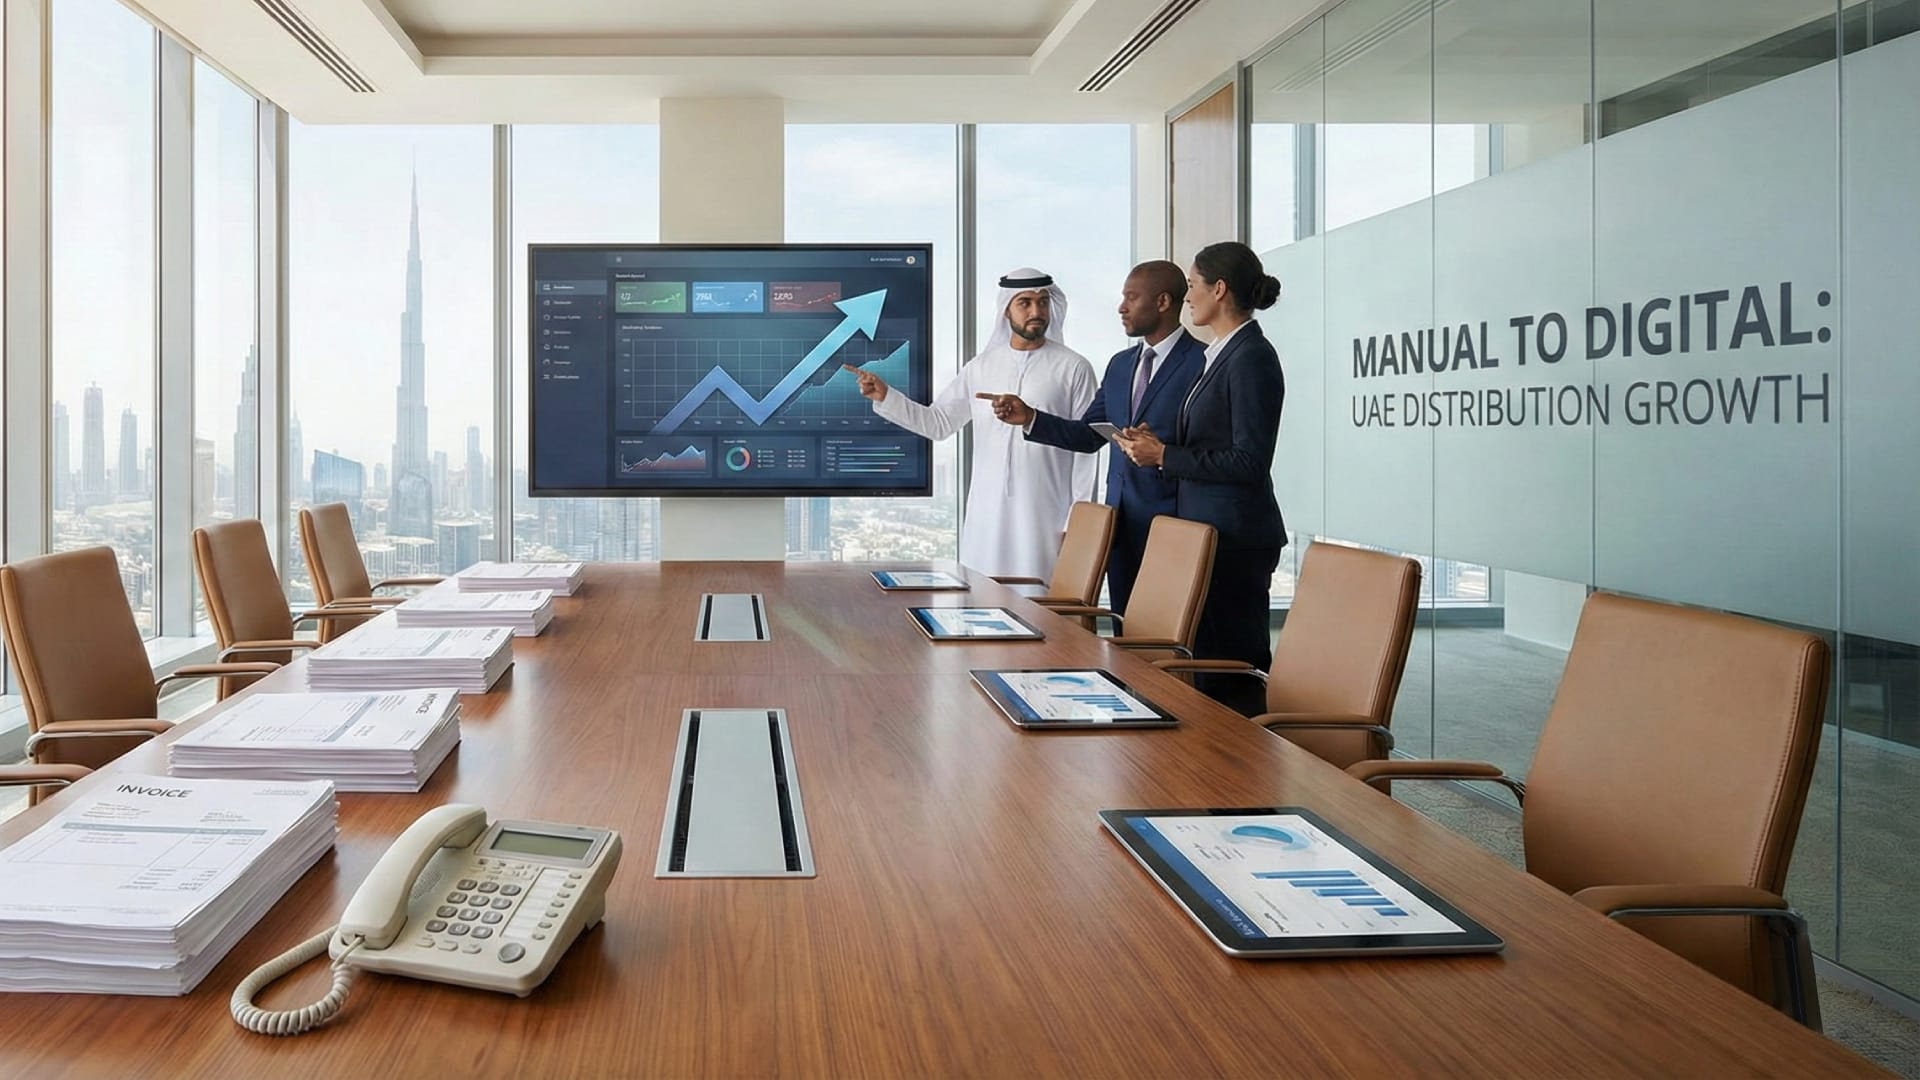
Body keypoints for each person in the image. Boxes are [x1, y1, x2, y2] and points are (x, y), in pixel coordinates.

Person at [1114, 242, 1285, 715]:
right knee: (1205, 670)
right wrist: (1158, 445)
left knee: (1231, 672)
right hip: (1207, 533)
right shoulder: (1220, 354)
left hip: (1236, 539)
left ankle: (1246, 781)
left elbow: (1250, 461)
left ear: (1220, 289)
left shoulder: (1251, 356)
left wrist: (1166, 455)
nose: (1188, 296)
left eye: (1192, 286)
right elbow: (1214, 445)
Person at [977, 261, 1204, 614]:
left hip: (1176, 527)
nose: (1121, 307)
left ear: (1162, 302)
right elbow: (1087, 436)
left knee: (1173, 640)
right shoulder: (1121, 364)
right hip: (1123, 527)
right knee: (1127, 637)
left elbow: (1209, 443)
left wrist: (1162, 451)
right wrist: (1031, 417)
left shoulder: (1203, 362)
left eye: (1131, 297)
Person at [848, 268, 1097, 580]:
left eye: (1043, 302)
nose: (1037, 311)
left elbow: (1088, 448)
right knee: (982, 607)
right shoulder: (980, 367)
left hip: (1047, 517)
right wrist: (886, 396)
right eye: (1025, 303)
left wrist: (1078, 524)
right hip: (985, 518)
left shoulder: (1074, 368)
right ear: (1006, 309)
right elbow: (938, 424)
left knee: (1044, 610)